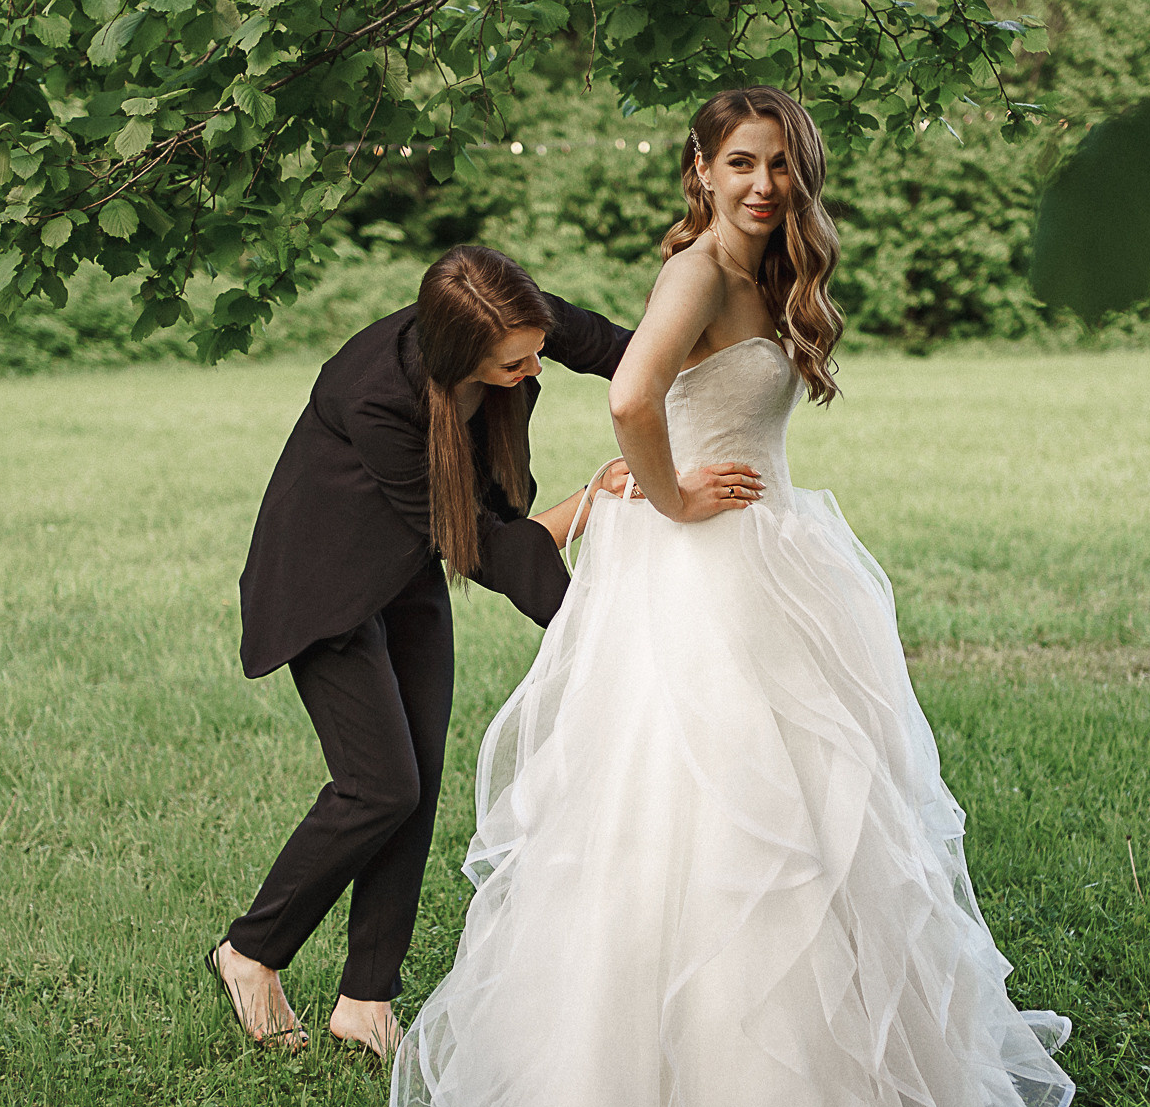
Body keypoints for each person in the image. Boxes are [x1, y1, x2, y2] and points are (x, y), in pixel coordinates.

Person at [388, 88, 1076, 1107]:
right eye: (743, 163)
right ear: (700, 168)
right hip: (702, 575)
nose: (765, 185)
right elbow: (629, 396)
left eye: (784, 166)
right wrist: (665, 494)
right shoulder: (700, 273)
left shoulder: (770, 277)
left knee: (813, 828)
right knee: (701, 824)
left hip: (774, 562)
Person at [210, 245, 758, 1060]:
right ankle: (251, 951)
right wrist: (594, 558)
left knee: (419, 785)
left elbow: (625, 353)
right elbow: (481, 546)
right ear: (460, 353)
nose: (537, 363)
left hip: (408, 573)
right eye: (518, 361)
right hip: (324, 584)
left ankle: (365, 1000)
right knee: (379, 785)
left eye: (538, 344)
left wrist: (724, 367)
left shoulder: (517, 319)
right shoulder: (376, 396)